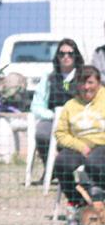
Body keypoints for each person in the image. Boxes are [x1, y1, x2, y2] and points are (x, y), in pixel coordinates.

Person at [54, 65, 105, 225]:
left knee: (95, 164)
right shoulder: (70, 105)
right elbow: (61, 134)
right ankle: (78, 203)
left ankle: (99, 200)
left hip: (102, 144)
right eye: (82, 83)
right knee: (62, 164)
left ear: (98, 83)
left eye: (90, 82)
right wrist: (80, 146)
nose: (86, 87)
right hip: (79, 146)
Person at [30, 38, 84, 175]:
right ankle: (51, 169)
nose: (66, 57)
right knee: (42, 133)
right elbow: (36, 106)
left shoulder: (84, 77)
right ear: (57, 56)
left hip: (80, 121)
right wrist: (53, 115)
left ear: (76, 55)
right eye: (62, 54)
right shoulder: (48, 78)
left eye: (70, 53)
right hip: (54, 119)